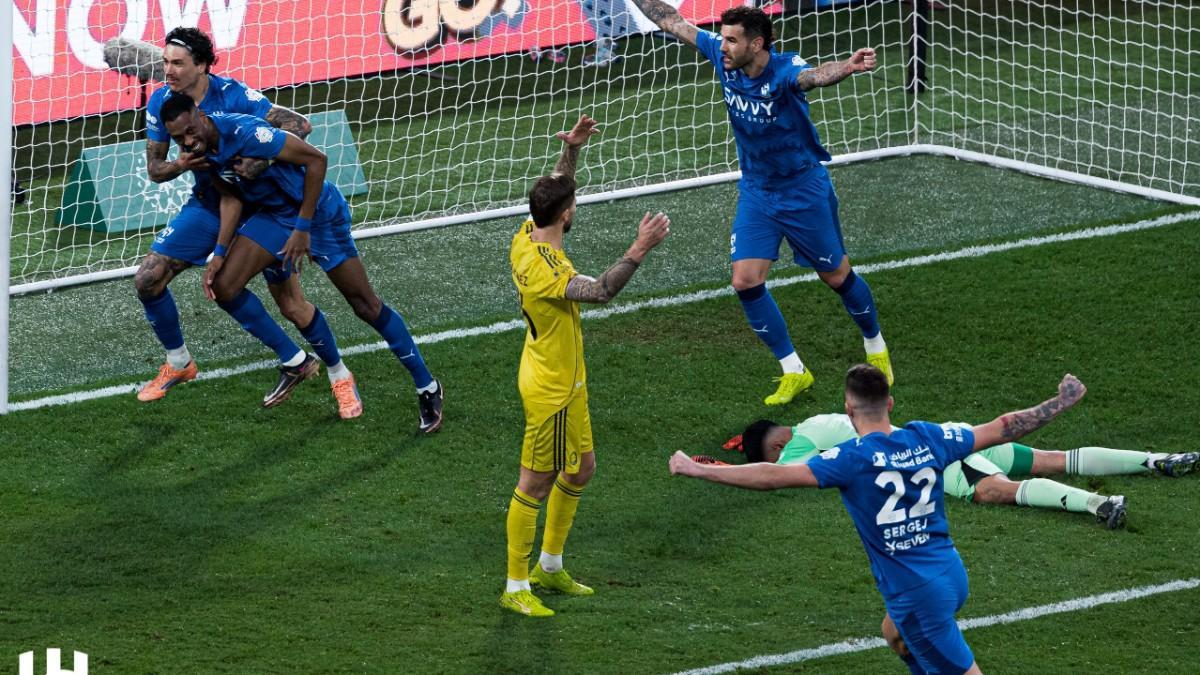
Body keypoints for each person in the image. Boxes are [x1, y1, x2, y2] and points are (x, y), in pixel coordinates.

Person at [670, 365, 1089, 673]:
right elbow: (1002, 427)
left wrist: (699, 468)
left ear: (848, 409)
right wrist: (1061, 401)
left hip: (915, 593)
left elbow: (772, 477)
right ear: (889, 403)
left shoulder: (851, 459)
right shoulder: (927, 435)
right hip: (950, 575)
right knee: (894, 634)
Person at [627, 3, 889, 405]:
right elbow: (674, 22)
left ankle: (876, 346)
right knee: (745, 280)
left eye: (733, 40)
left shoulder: (784, 70)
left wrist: (848, 67)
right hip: (757, 191)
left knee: (836, 276)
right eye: (724, 37)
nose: (724, 46)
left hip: (802, 189)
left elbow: (813, 76)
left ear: (758, 43)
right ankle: (793, 370)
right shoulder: (721, 55)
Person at [158, 97, 445, 431]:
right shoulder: (199, 154)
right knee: (223, 286)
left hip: (317, 215)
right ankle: (296, 361)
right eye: (178, 139)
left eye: (190, 131)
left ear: (201, 115)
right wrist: (219, 253)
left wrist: (302, 230)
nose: (187, 141)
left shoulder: (248, 133)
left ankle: (427, 386)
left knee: (365, 305)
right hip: (275, 217)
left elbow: (316, 161)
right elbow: (231, 197)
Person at [501, 114, 670, 617]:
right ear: (568, 214)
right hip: (550, 387)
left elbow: (553, 191)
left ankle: (549, 568)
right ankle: (515, 585)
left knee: (582, 469)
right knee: (535, 481)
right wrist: (639, 248)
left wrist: (571, 151)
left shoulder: (527, 233)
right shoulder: (549, 269)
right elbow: (600, 291)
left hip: (566, 378)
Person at [137, 27, 324, 406]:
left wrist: (257, 160)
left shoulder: (235, 95)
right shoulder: (160, 104)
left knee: (292, 306)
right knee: (148, 279)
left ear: (202, 65)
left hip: (261, 208)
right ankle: (180, 361)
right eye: (165, 62)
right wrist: (180, 164)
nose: (168, 71)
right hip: (210, 203)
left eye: (177, 63)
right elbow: (155, 170)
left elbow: (299, 125)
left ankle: (337, 372)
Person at [708, 415, 1198, 529]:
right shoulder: (826, 421)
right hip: (950, 435)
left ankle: (1099, 503)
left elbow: (787, 473)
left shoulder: (800, 440)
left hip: (938, 458)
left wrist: (728, 468)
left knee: (994, 492)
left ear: (776, 442)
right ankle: (1157, 460)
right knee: (1057, 457)